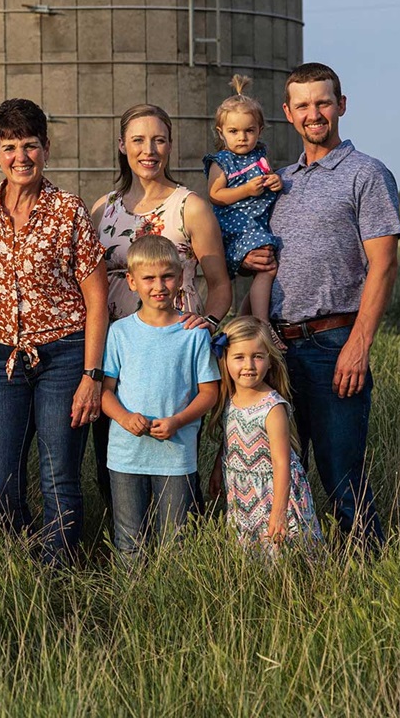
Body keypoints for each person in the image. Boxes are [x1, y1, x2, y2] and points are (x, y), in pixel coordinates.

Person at [242, 62, 400, 547]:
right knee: (281, 472)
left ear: (342, 106)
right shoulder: (278, 182)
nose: (315, 114)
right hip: (277, 347)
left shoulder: (366, 174)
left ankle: (366, 570)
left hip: (334, 341)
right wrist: (247, 256)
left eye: (324, 102)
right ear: (289, 114)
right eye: (304, 105)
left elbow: (384, 266)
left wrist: (358, 345)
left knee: (340, 474)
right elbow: (260, 253)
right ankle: (295, 569)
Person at [0, 98, 106, 565]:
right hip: (3, 353)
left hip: (64, 354)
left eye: (30, 146)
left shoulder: (68, 211)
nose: (20, 157)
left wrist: (92, 373)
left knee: (57, 472)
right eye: (9, 147)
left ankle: (59, 567)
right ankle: (21, 553)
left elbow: (97, 297)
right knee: (0, 476)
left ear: (46, 148)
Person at [90, 103, 232, 504]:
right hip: (118, 349)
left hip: (174, 349)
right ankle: (128, 550)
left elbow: (220, 285)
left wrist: (206, 322)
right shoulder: (104, 208)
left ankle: (178, 553)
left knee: (174, 460)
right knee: (113, 460)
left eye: (158, 140)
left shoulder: (191, 206)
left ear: (170, 145)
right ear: (122, 145)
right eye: (138, 140)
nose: (148, 149)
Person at [98, 235, 220, 563]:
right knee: (129, 541)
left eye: (167, 276)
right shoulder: (120, 332)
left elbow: (210, 392)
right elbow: (105, 393)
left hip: (176, 453)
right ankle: (132, 607)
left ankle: (172, 605)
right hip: (127, 454)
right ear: (132, 282)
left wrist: (178, 421)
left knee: (176, 542)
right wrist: (124, 418)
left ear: (181, 278)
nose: (159, 286)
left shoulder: (193, 333)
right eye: (149, 278)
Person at [208, 316, 322, 557]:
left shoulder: (272, 407)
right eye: (239, 357)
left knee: (279, 555)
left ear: (270, 361)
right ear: (225, 360)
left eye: (257, 357)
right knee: (249, 557)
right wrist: (218, 468)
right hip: (243, 492)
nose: (249, 365)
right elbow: (229, 439)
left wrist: (279, 513)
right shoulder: (230, 399)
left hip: (273, 494)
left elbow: (282, 464)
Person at [203, 76, 284, 339]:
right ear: (221, 133)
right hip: (236, 227)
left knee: (266, 268)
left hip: (255, 225)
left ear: (259, 130)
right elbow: (215, 195)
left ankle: (243, 323)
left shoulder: (259, 156)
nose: (242, 138)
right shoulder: (222, 161)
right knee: (267, 268)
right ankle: (261, 324)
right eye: (234, 132)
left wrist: (274, 180)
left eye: (249, 131)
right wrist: (246, 190)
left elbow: (269, 180)